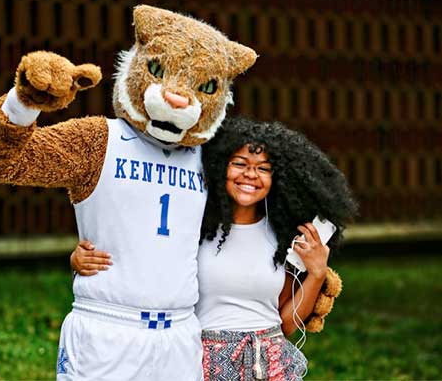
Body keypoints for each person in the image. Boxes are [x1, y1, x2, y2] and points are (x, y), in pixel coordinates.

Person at [72, 117, 357, 380]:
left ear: (276, 178)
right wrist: (79, 257)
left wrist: (316, 273)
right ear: (221, 166)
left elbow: (286, 323)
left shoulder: (283, 239)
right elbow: (142, 253)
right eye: (240, 163)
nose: (251, 175)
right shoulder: (192, 227)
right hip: (200, 362)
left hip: (268, 364)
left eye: (263, 168)